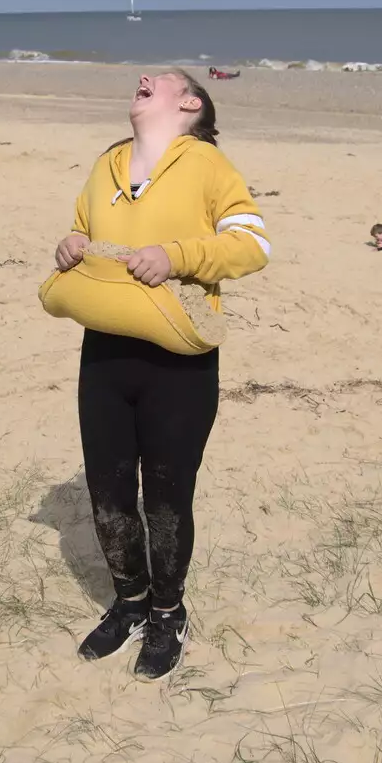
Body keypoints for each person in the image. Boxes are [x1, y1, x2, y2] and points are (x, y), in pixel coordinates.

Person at [50, 69, 270, 681]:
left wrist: (175, 255)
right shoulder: (107, 165)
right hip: (105, 354)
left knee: (168, 496)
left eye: (162, 79)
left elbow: (253, 244)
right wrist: (70, 243)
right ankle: (130, 602)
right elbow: (82, 229)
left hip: (180, 360)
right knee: (108, 491)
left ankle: (169, 613)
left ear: (190, 104)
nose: (142, 78)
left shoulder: (207, 165)